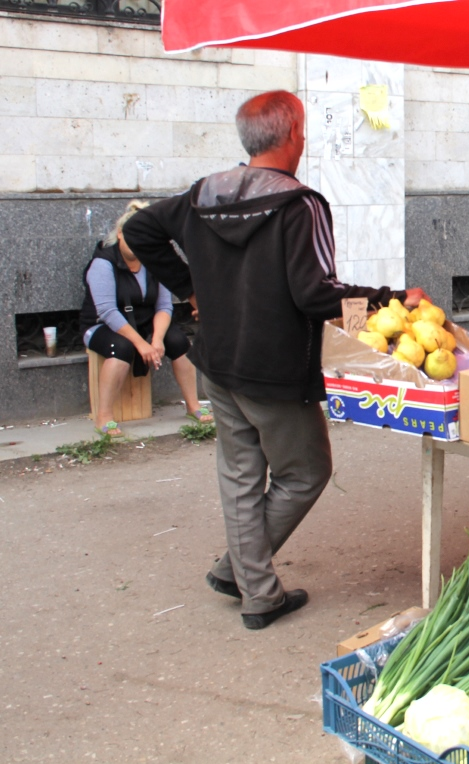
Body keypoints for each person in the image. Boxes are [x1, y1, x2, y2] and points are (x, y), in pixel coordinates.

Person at [121, 90, 427, 630]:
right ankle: (246, 578)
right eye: (303, 130)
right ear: (290, 136)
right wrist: (389, 300)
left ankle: (247, 582)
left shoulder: (203, 194)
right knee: (307, 471)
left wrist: (191, 288)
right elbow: (316, 295)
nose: (304, 140)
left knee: (241, 476)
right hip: (272, 368)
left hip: (217, 360)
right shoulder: (299, 204)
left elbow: (140, 230)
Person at [81, 200, 213, 438]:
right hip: (102, 325)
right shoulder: (103, 263)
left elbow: (164, 306)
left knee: (179, 341)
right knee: (120, 348)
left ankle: (193, 406)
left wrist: (158, 340)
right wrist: (141, 344)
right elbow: (108, 311)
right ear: (120, 234)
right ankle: (104, 416)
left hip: (143, 323)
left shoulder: (153, 262)